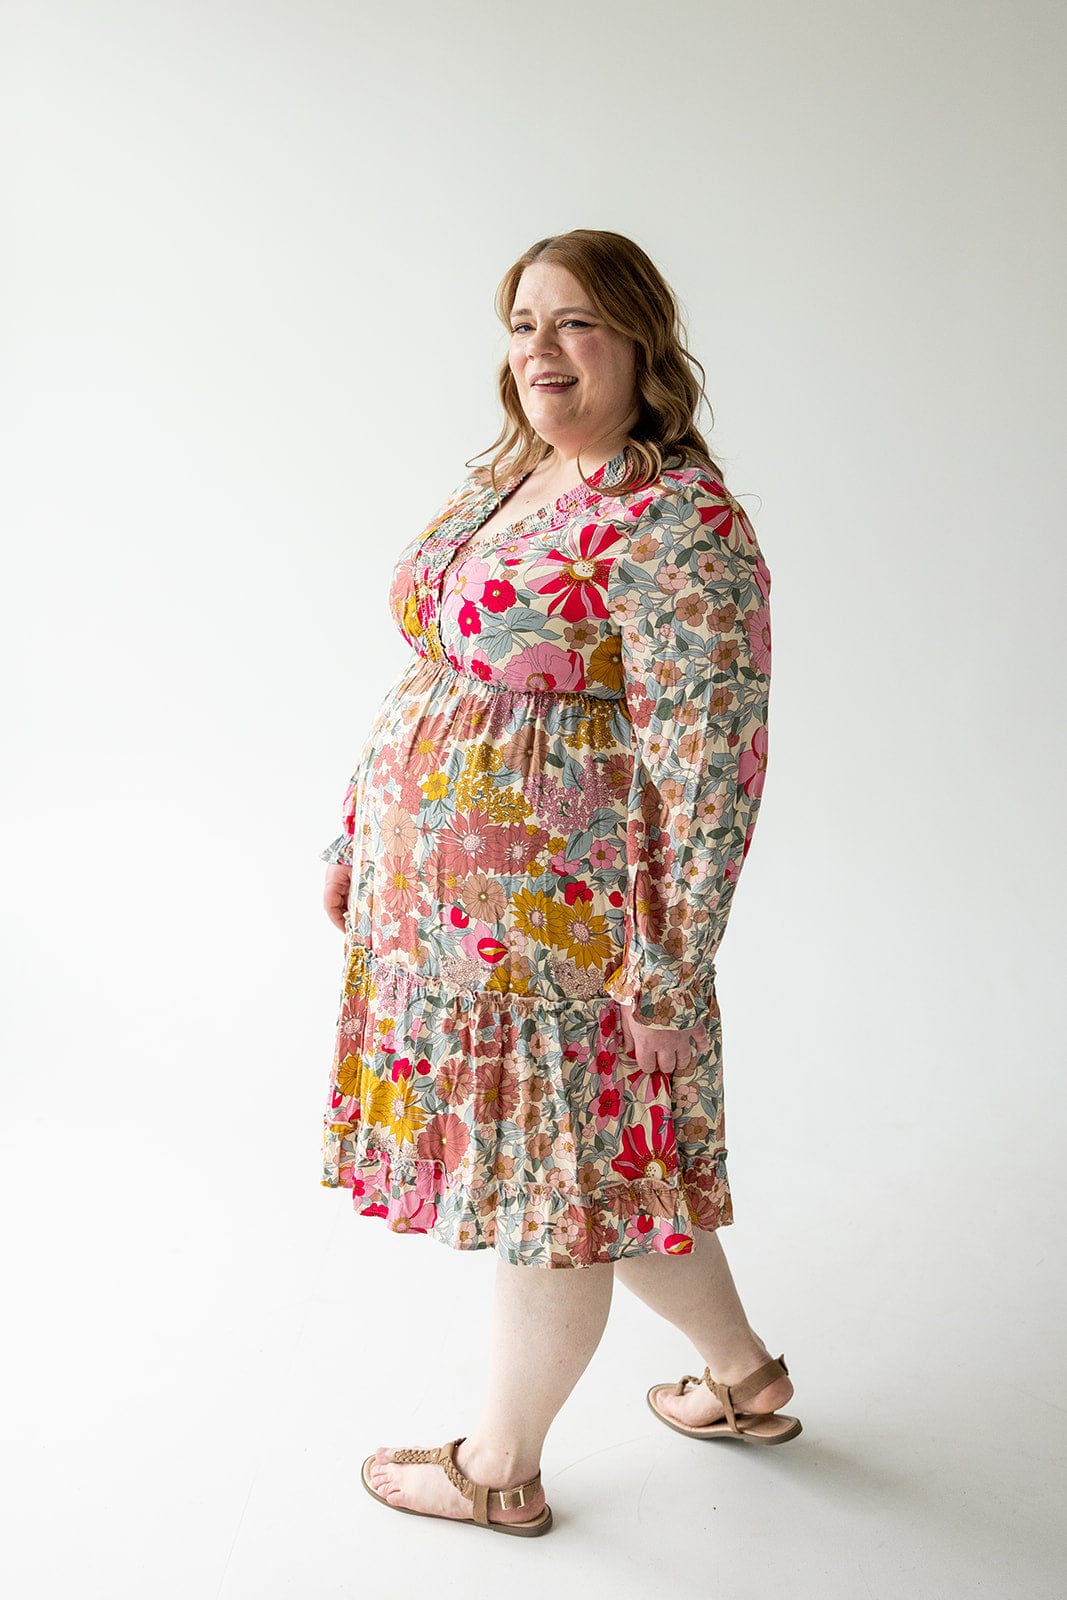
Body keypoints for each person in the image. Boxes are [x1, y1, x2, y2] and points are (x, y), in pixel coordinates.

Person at [319, 228, 797, 1538]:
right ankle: (748, 1382)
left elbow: (715, 756)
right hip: (458, 930)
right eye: (523, 322)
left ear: (642, 342)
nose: (540, 350)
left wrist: (667, 960)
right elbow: (436, 675)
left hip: (572, 944)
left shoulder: (676, 518)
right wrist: (360, 832)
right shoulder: (520, 472)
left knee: (557, 1203)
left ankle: (499, 1465)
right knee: (610, 1177)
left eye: (576, 323)